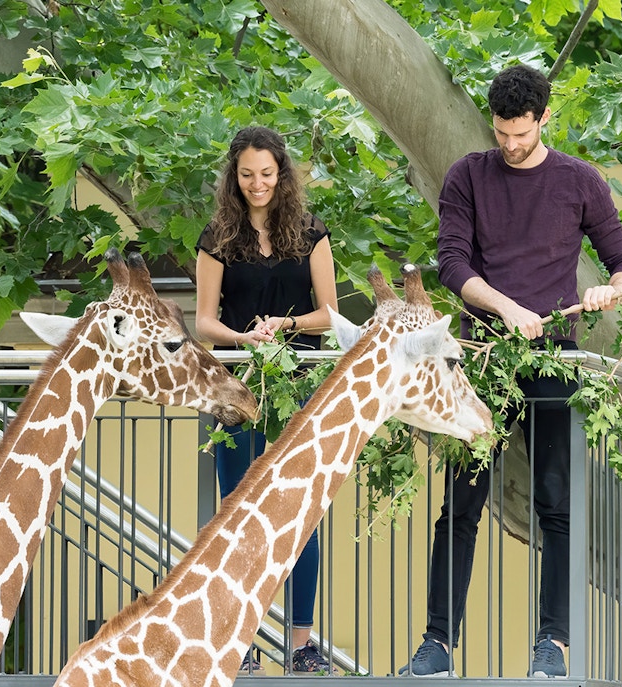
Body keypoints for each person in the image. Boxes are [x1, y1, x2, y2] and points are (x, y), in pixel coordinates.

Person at [401, 64, 622, 678]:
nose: (510, 144)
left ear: (543, 119)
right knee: (460, 504)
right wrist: (508, 309)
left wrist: (611, 291)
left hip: (553, 359)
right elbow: (452, 263)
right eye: (501, 133)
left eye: (521, 133)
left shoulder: (580, 181)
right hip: (482, 358)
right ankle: (437, 644)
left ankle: (552, 645)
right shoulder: (468, 177)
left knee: (557, 504)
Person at [194, 125, 340, 675]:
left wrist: (287, 324)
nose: (258, 184)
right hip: (236, 390)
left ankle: (301, 644)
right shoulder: (217, 237)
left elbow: (329, 313)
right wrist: (245, 338)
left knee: (299, 514)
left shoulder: (310, 231)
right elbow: (206, 321)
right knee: (238, 517)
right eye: (247, 174)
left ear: (283, 174)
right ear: (235, 176)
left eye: (267, 174)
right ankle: (243, 642)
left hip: (298, 386)